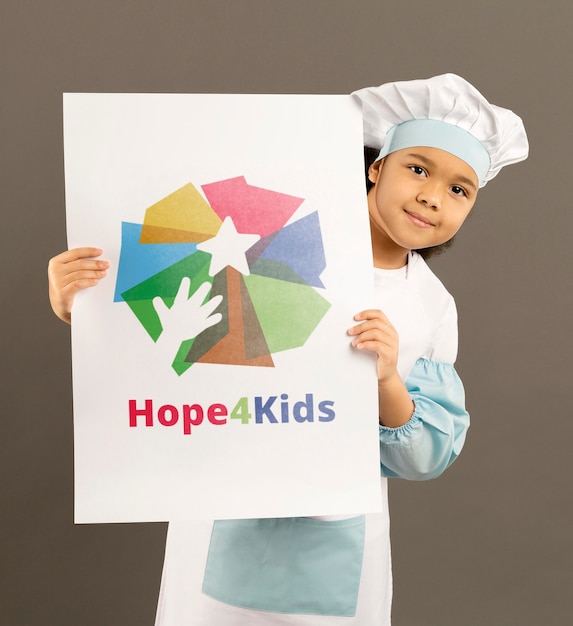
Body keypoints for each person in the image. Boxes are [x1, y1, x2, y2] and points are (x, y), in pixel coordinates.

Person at [48, 74, 528, 625]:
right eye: (417, 168)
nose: (429, 196)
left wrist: (388, 380)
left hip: (336, 532)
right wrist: (81, 309)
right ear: (376, 167)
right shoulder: (273, 245)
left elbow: (425, 456)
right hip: (222, 501)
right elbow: (170, 347)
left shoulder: (429, 305)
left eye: (458, 189)